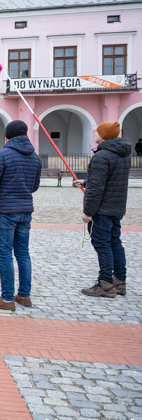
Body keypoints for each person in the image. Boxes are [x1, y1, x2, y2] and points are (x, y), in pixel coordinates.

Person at [0, 121, 42, 311]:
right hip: (25, 210)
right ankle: (24, 295)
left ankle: (7, 299)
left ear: (7, 137)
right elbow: (34, 186)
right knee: (23, 253)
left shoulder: (1, 156)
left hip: (5, 211)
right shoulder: (35, 157)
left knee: (4, 254)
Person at [74, 121, 131, 298]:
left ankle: (105, 283)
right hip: (117, 207)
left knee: (102, 244)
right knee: (115, 242)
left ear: (104, 135)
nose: (96, 134)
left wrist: (88, 212)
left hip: (103, 209)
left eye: (98, 132)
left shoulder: (101, 156)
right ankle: (119, 280)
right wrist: (86, 182)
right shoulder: (123, 154)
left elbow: (98, 188)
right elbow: (110, 179)